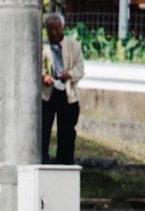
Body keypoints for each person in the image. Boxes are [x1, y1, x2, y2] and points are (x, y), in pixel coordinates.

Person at [39, 12, 84, 165]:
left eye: (56, 29)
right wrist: (43, 76)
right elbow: (36, 66)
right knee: (43, 130)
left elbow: (80, 69)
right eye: (49, 29)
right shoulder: (42, 46)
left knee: (67, 133)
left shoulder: (73, 45)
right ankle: (42, 161)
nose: (53, 33)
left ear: (62, 28)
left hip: (67, 94)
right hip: (48, 93)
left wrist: (69, 74)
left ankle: (64, 164)